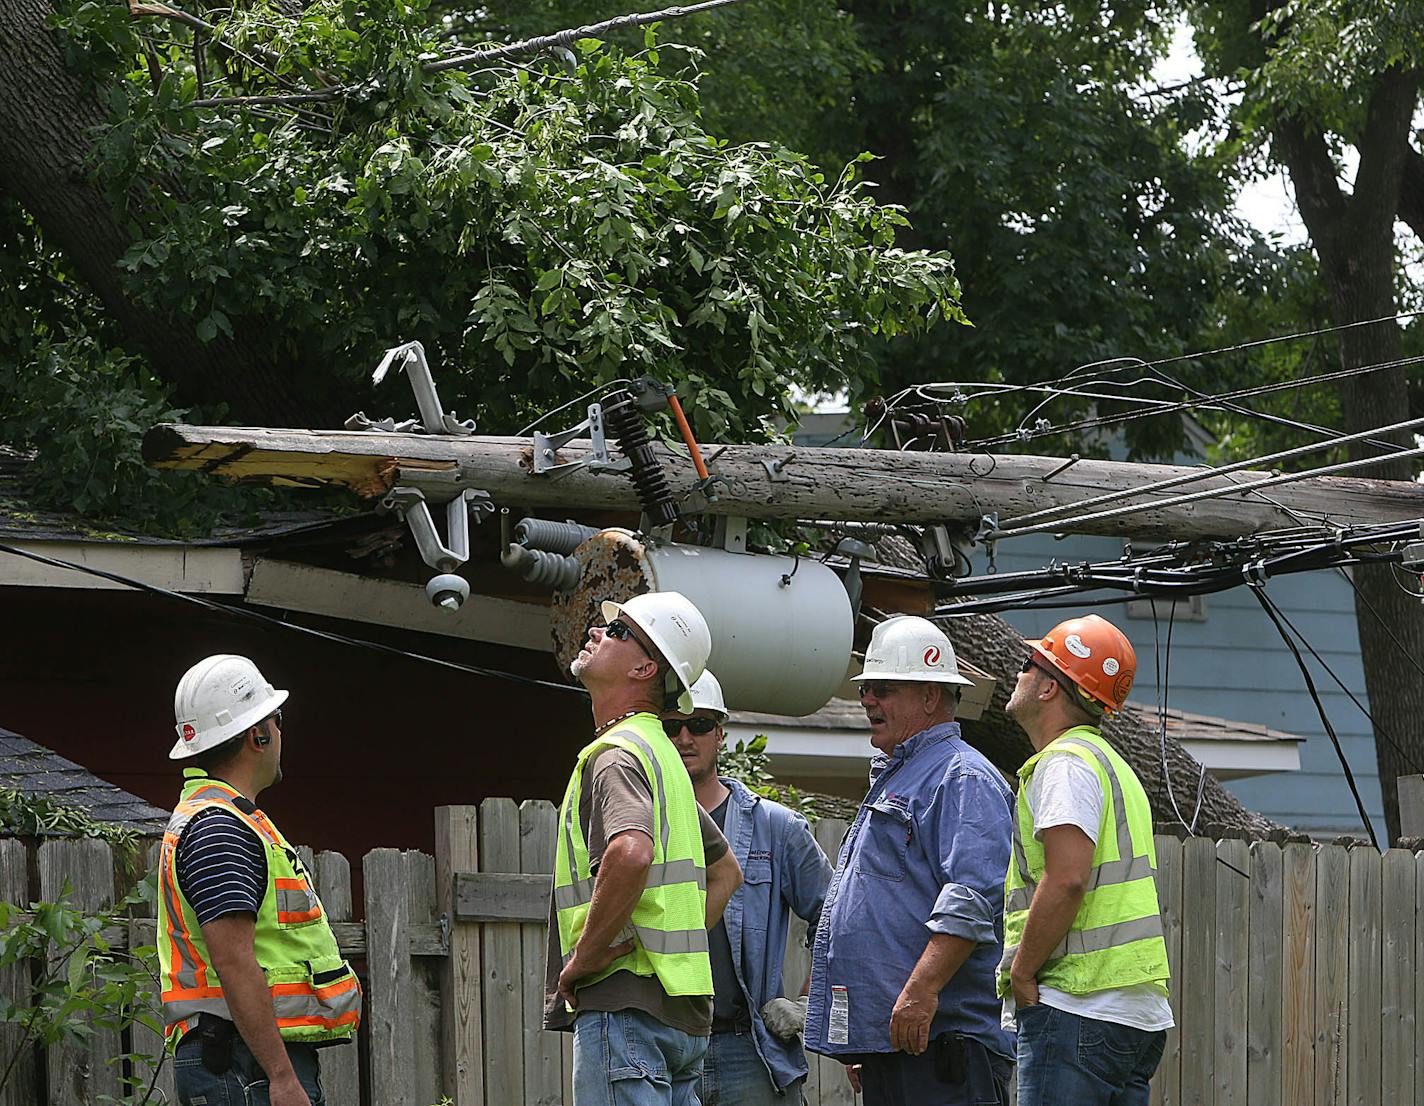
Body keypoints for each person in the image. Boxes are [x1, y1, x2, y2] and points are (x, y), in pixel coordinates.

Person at [805, 616, 1015, 1106]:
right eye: (867, 689)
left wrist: (920, 994)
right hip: (897, 1045)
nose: (868, 700)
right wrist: (867, 1034)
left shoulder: (963, 777)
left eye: (884, 688)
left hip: (943, 1050)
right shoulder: (903, 776)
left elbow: (971, 899)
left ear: (928, 696)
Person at [545, 591, 744, 1106]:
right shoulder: (662, 759)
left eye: (616, 631)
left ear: (644, 667)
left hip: (625, 1010)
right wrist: (668, 949)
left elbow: (630, 853)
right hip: (682, 1022)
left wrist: (584, 960)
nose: (595, 631)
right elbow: (727, 872)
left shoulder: (616, 756)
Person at [158, 655, 360, 1106]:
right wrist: (282, 1078)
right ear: (258, 735)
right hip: (243, 1066)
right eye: (276, 719)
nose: (281, 733)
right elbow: (233, 961)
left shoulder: (226, 820)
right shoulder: (220, 828)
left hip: (240, 1059)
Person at [1001, 614, 1173, 1106]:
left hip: (1079, 1006)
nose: (1018, 673)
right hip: (1132, 1014)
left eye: (1030, 664)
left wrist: (1023, 971)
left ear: (1051, 688)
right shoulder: (1111, 767)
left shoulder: (1065, 765)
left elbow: (1068, 879)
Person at [663, 670, 832, 1105]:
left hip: (751, 1050)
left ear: (720, 733)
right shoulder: (644, 826)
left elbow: (836, 913)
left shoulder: (775, 828)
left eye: (699, 725)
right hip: (667, 1047)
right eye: (672, 726)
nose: (685, 738)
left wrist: (808, 1000)